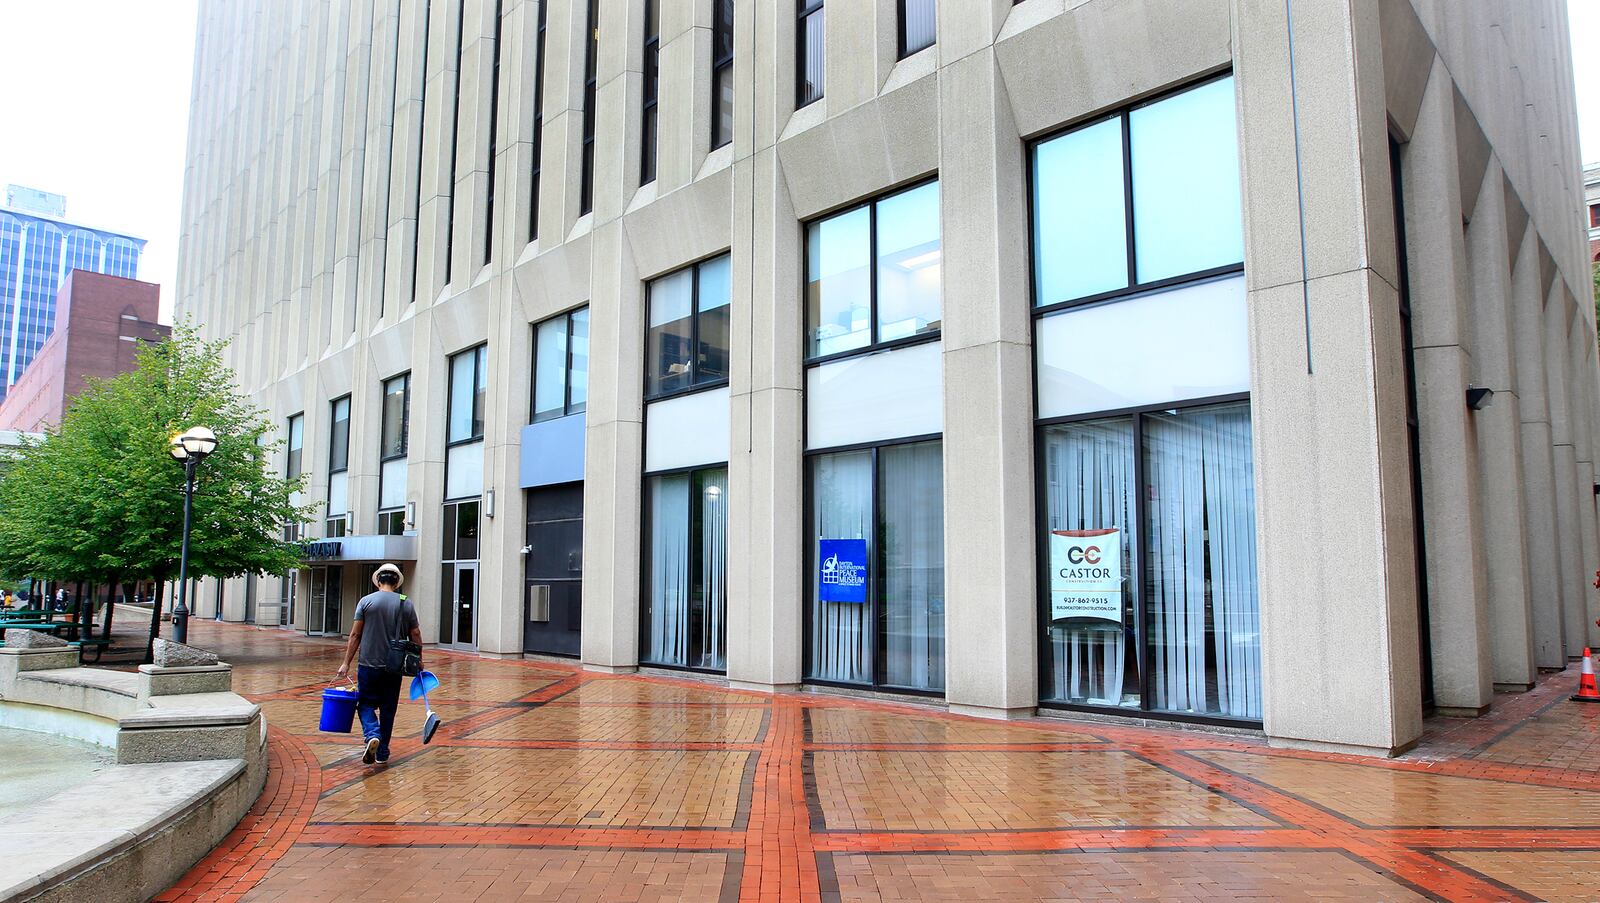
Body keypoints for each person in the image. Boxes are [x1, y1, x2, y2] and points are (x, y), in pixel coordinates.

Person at [335, 563, 420, 765]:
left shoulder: (366, 602)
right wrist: (419, 661)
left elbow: (355, 634)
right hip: (395, 665)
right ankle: (382, 752)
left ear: (379, 581)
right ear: (396, 582)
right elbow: (415, 633)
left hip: (368, 664)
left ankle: (372, 733)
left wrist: (346, 662)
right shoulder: (405, 602)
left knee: (364, 703)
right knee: (388, 709)